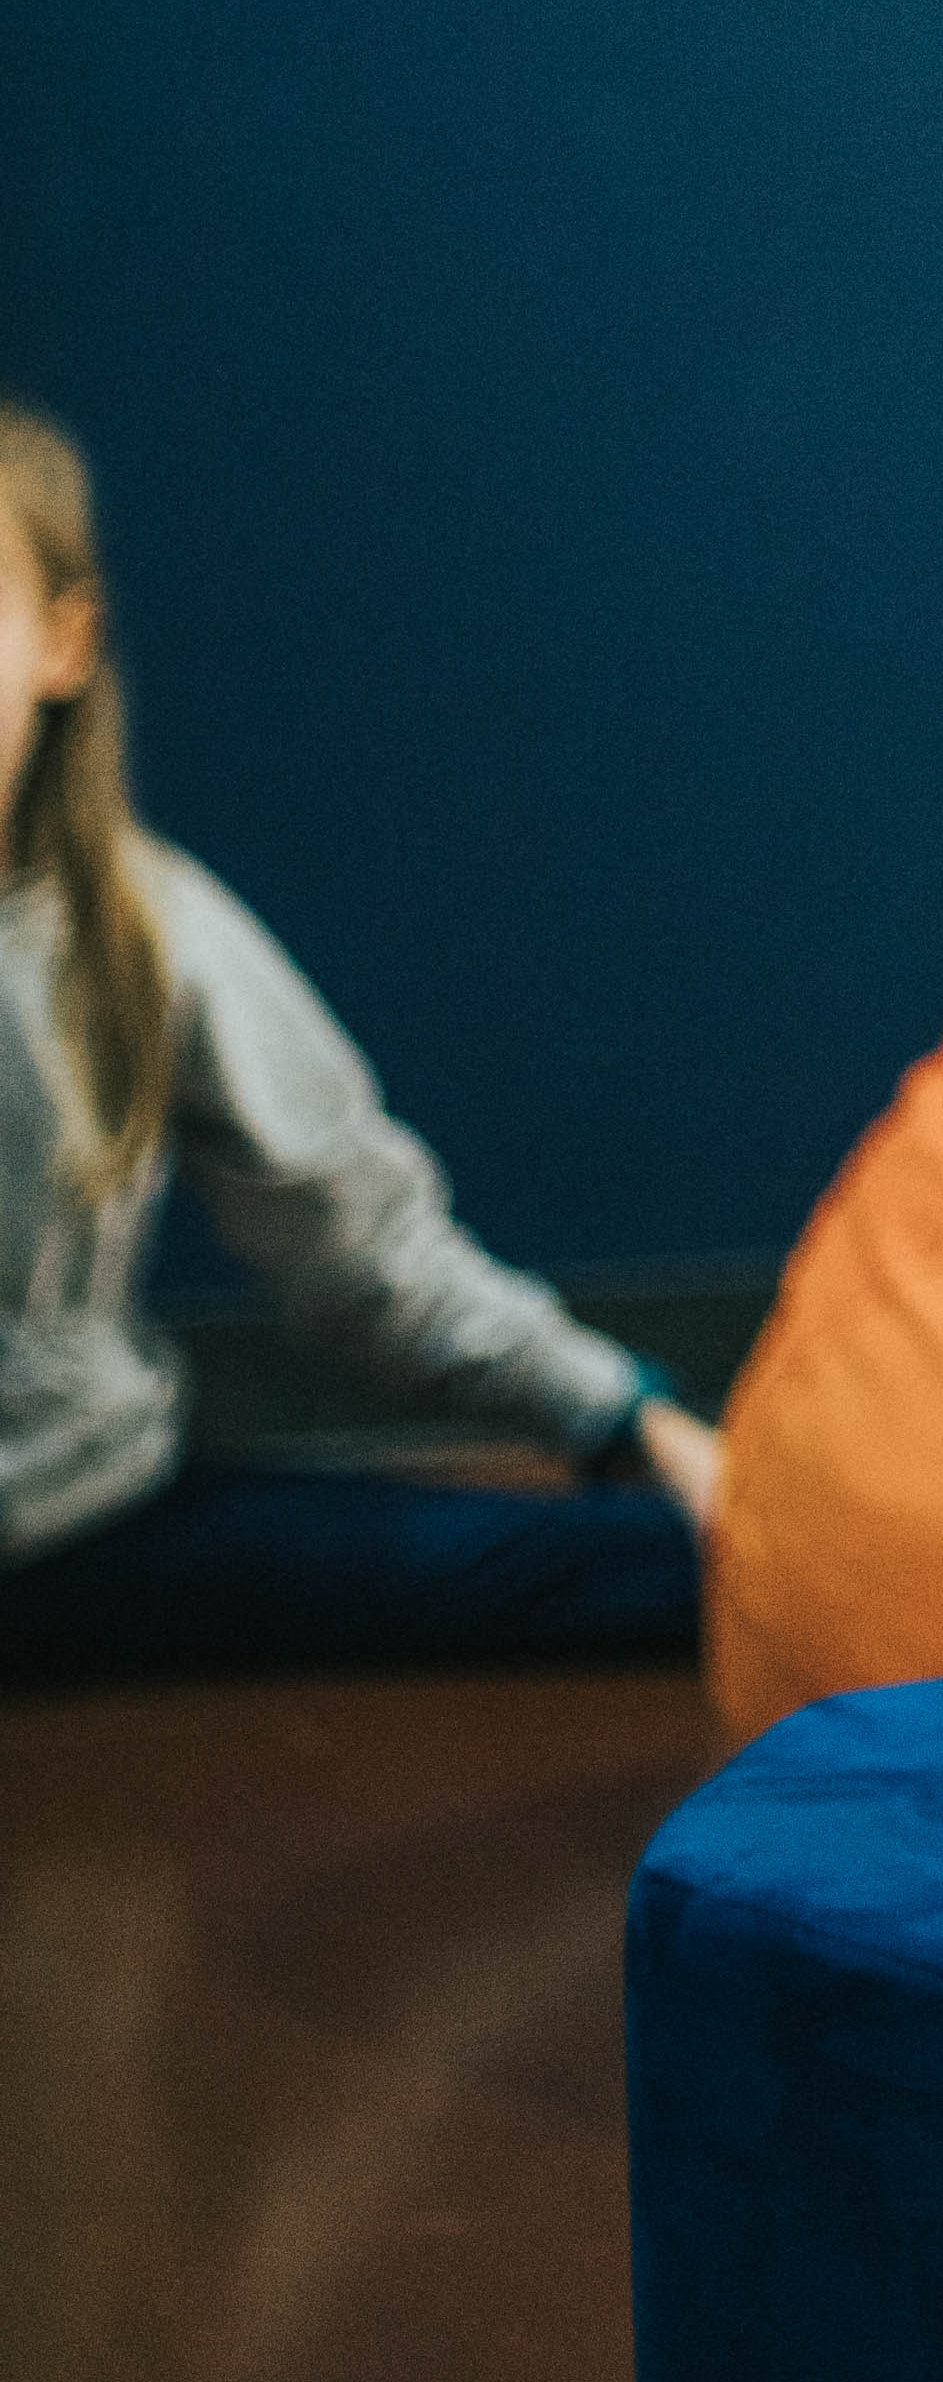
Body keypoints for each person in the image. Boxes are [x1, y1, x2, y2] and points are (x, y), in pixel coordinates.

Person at [0, 406, 720, 1672]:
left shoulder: (152, 935)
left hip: (86, 1529)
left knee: (689, 1566)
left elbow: (368, 1255)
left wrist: (628, 1423)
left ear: (64, 643)